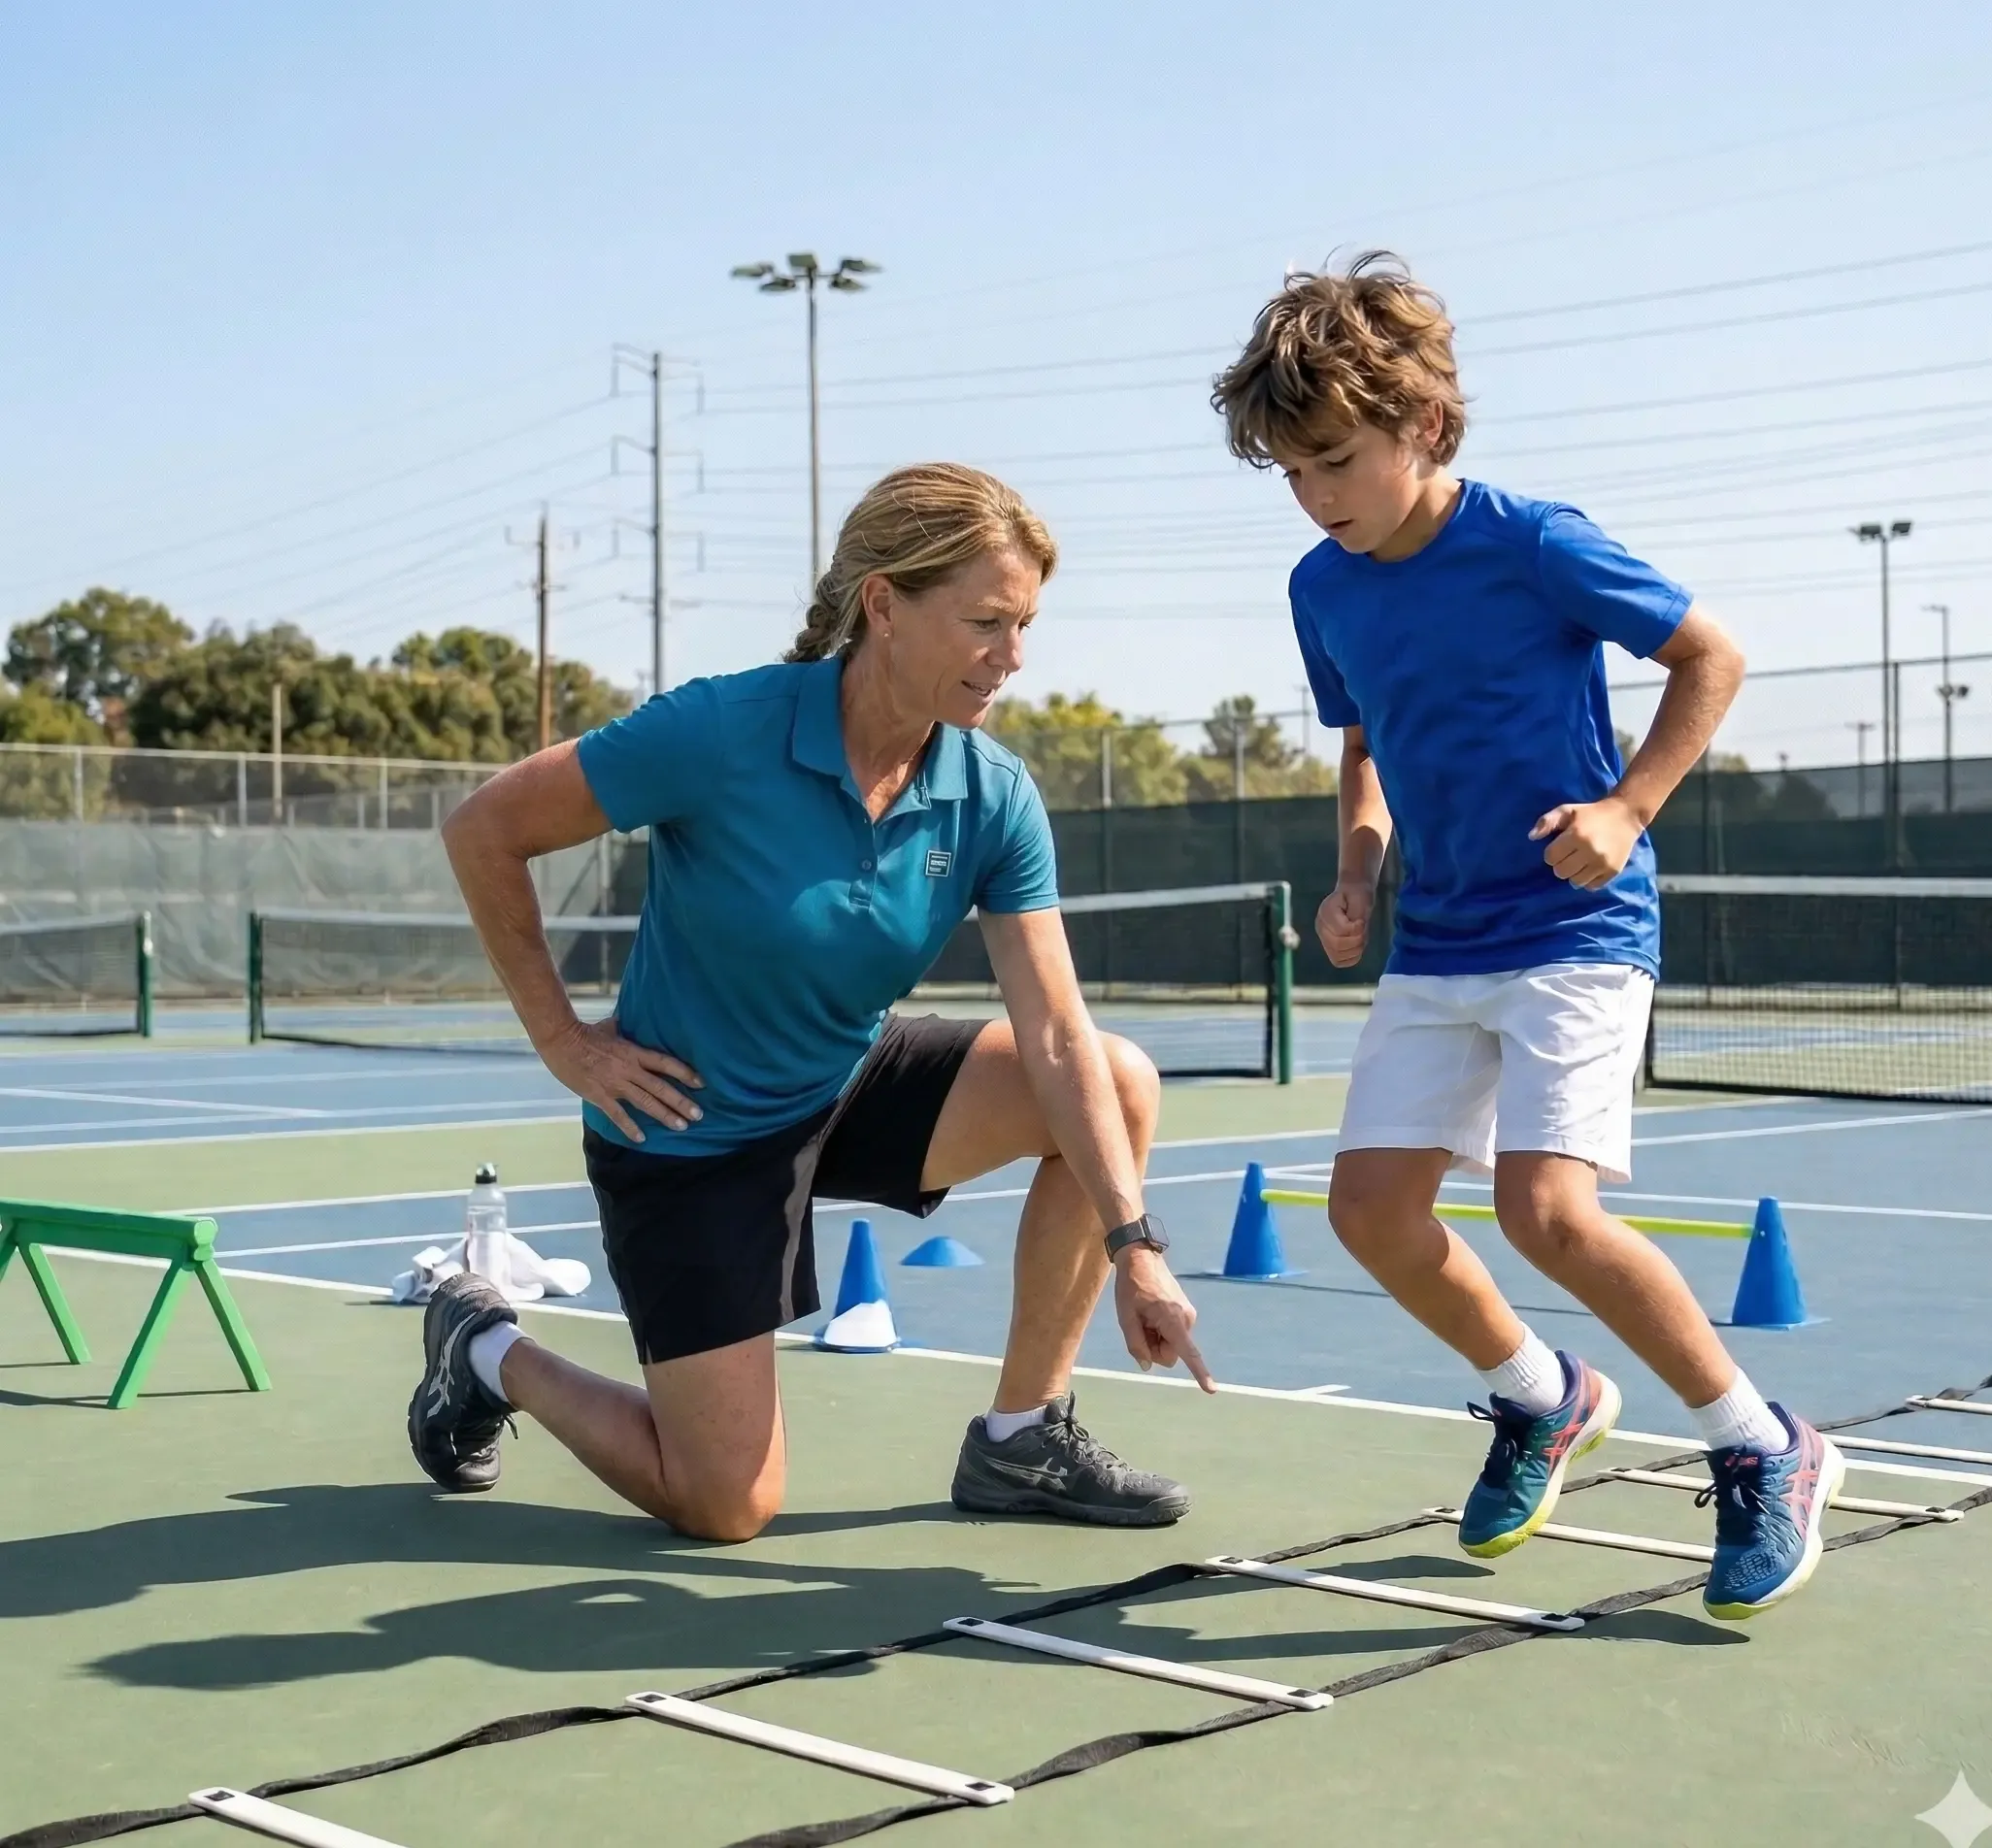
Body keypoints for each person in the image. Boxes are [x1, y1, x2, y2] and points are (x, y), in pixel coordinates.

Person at [407, 462, 1213, 1542]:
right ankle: (484, 1346)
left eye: (1023, 625)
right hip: (690, 1130)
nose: (1011, 657)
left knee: (1114, 1075)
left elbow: (1058, 1036)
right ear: (883, 604)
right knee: (726, 1502)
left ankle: (1023, 1434)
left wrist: (1136, 1243)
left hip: (843, 1079)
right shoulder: (718, 731)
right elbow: (485, 828)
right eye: (985, 621)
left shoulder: (992, 793)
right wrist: (564, 1039)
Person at [1210, 254, 1843, 1621]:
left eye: (1335, 459)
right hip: (1438, 941)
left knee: (1544, 1210)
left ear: (1425, 425)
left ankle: (1762, 1446)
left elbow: (1710, 656)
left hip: (1577, 927)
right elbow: (1365, 742)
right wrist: (1357, 871)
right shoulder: (1325, 588)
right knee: (1370, 1211)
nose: (1317, 495)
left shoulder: (1534, 540)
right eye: (1291, 472)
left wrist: (1627, 805)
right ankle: (1541, 1397)